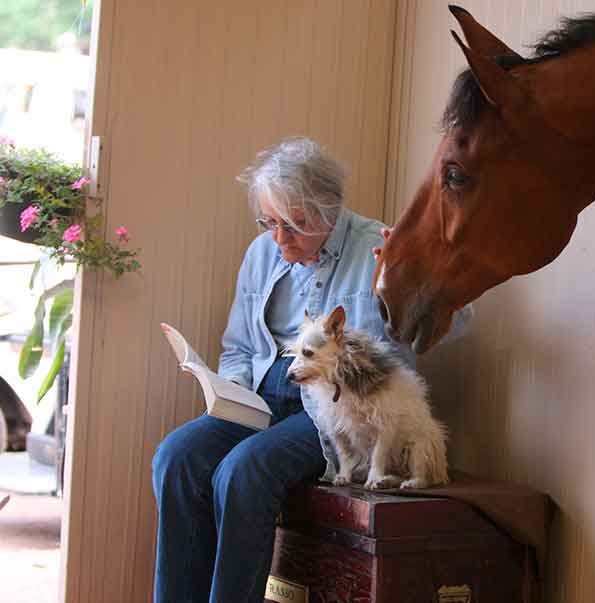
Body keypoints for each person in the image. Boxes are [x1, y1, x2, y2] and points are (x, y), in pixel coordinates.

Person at [151, 137, 472, 603]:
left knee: (243, 471)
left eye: (295, 225)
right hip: (259, 400)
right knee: (176, 458)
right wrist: (231, 391)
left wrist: (420, 277)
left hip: (338, 411)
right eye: (270, 222)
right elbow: (239, 347)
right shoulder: (262, 253)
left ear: (330, 210)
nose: (280, 239)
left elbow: (456, 325)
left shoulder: (379, 247)